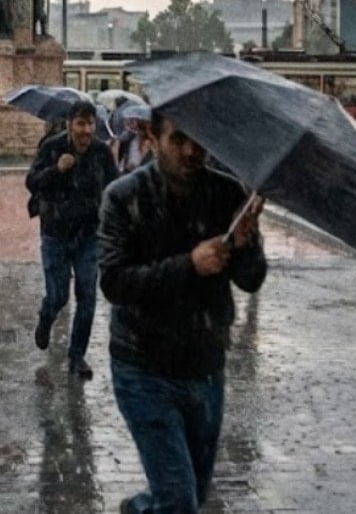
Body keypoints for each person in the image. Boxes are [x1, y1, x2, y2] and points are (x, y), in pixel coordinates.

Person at [98, 108, 267, 513]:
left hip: (206, 366)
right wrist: (188, 265)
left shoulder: (227, 195)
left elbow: (251, 280)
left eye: (200, 142)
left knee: (190, 491)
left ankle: (140, 509)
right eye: (179, 140)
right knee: (179, 501)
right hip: (143, 365)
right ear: (153, 139)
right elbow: (116, 282)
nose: (191, 151)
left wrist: (244, 244)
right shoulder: (123, 198)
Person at [26, 100, 118, 379]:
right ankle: (46, 315)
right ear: (69, 124)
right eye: (81, 123)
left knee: (87, 296)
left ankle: (77, 355)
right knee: (58, 296)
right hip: (55, 233)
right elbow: (31, 182)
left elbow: (114, 187)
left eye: (91, 124)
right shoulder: (52, 147)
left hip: (89, 236)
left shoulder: (102, 152)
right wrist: (57, 170)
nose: (86, 130)